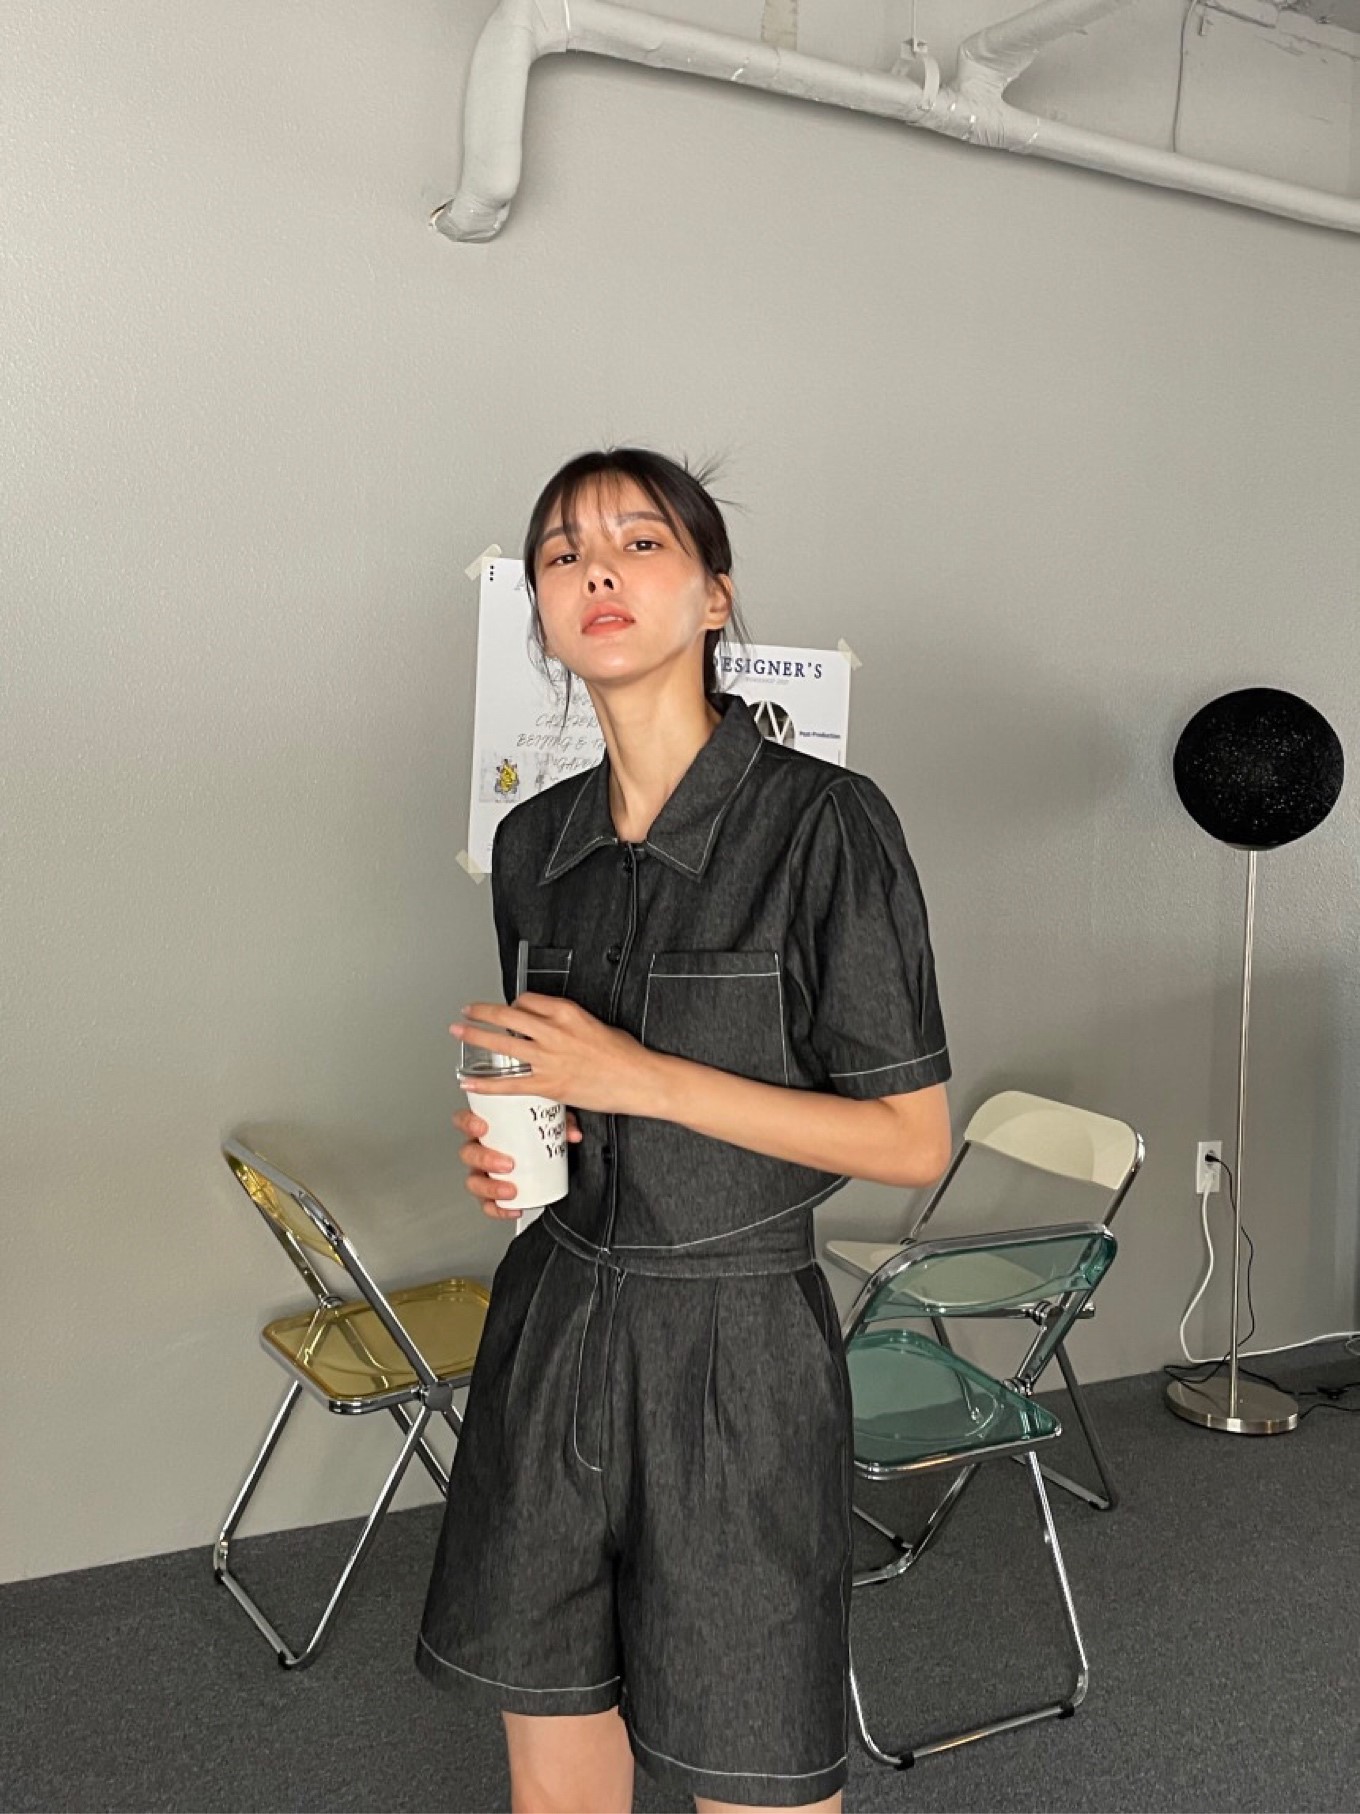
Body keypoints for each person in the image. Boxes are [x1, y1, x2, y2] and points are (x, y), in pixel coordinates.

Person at [416, 447, 952, 1814]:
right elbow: (558, 1083)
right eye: (562, 554)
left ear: (715, 595)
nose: (595, 569)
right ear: (543, 614)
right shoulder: (535, 845)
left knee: (755, 1774)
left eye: (639, 541)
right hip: (552, 1331)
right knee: (555, 1769)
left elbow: (909, 1142)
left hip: (736, 1354)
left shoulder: (826, 827)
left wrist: (644, 1078)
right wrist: (521, 1149)